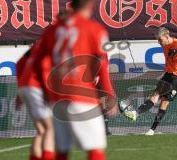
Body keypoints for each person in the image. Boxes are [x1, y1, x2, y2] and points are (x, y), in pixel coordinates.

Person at [28, 0, 118, 159]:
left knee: (62, 150)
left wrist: (45, 91)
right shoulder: (95, 29)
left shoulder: (52, 30)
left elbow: (37, 62)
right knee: (95, 150)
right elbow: (102, 65)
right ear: (91, 6)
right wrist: (109, 94)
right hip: (82, 95)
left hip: (57, 98)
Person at [122, 27, 177, 136]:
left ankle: (152, 130)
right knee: (154, 95)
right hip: (168, 74)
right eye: (158, 40)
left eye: (160, 40)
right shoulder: (164, 44)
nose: (159, 42)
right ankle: (135, 113)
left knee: (164, 103)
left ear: (167, 37)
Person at [16, 43, 55, 160]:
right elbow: (44, 67)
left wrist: (20, 87)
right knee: (50, 128)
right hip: (36, 86)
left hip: (25, 86)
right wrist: (47, 90)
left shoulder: (38, 44)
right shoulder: (55, 42)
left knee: (42, 130)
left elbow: (19, 63)